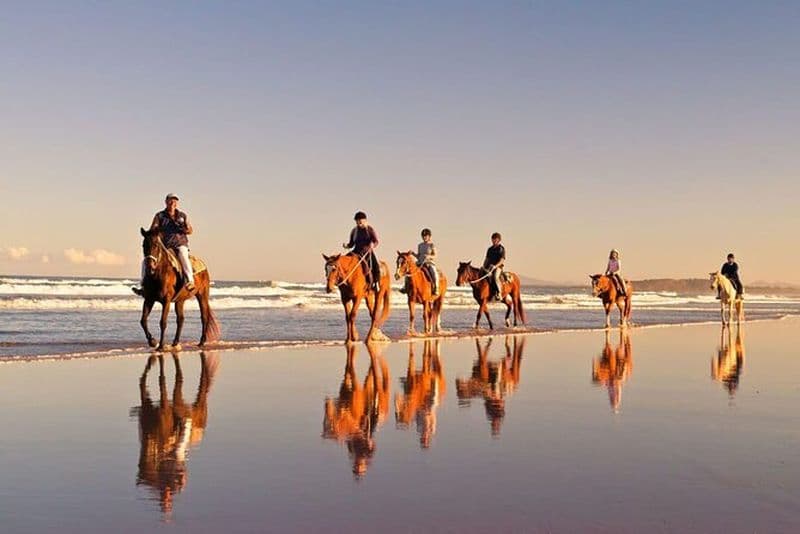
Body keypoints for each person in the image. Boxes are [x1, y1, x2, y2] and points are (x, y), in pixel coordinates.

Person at [132, 193, 195, 295]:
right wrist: (152, 232)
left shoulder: (182, 216)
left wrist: (186, 229)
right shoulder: (160, 216)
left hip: (180, 244)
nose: (173, 203)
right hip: (165, 245)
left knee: (183, 256)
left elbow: (190, 230)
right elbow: (153, 228)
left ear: (177, 203)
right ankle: (143, 286)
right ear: (166, 202)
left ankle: (190, 281)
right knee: (146, 260)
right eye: (170, 200)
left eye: (175, 201)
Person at [343, 211, 381, 291]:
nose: (358, 222)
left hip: (367, 251)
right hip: (356, 251)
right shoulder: (354, 231)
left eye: (360, 221)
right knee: (344, 261)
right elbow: (351, 244)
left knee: (376, 265)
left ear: (365, 220)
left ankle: (376, 283)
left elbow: (376, 241)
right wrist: (347, 246)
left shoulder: (369, 230)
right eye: (357, 221)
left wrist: (372, 245)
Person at [482, 233, 505, 301]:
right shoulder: (490, 249)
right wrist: (483, 266)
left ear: (499, 240)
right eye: (493, 239)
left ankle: (499, 293)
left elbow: (502, 260)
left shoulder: (501, 249)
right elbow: (487, 259)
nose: (494, 240)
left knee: (495, 277)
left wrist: (495, 266)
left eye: (496, 239)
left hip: (498, 267)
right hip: (489, 267)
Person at [416, 228, 439, 296]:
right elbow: (418, 256)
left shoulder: (432, 245)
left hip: (429, 263)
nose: (424, 237)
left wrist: (429, 256)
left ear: (429, 236)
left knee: (434, 273)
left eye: (426, 236)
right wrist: (413, 254)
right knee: (409, 270)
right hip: (420, 263)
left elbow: (435, 255)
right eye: (423, 236)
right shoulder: (420, 245)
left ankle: (436, 288)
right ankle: (405, 286)